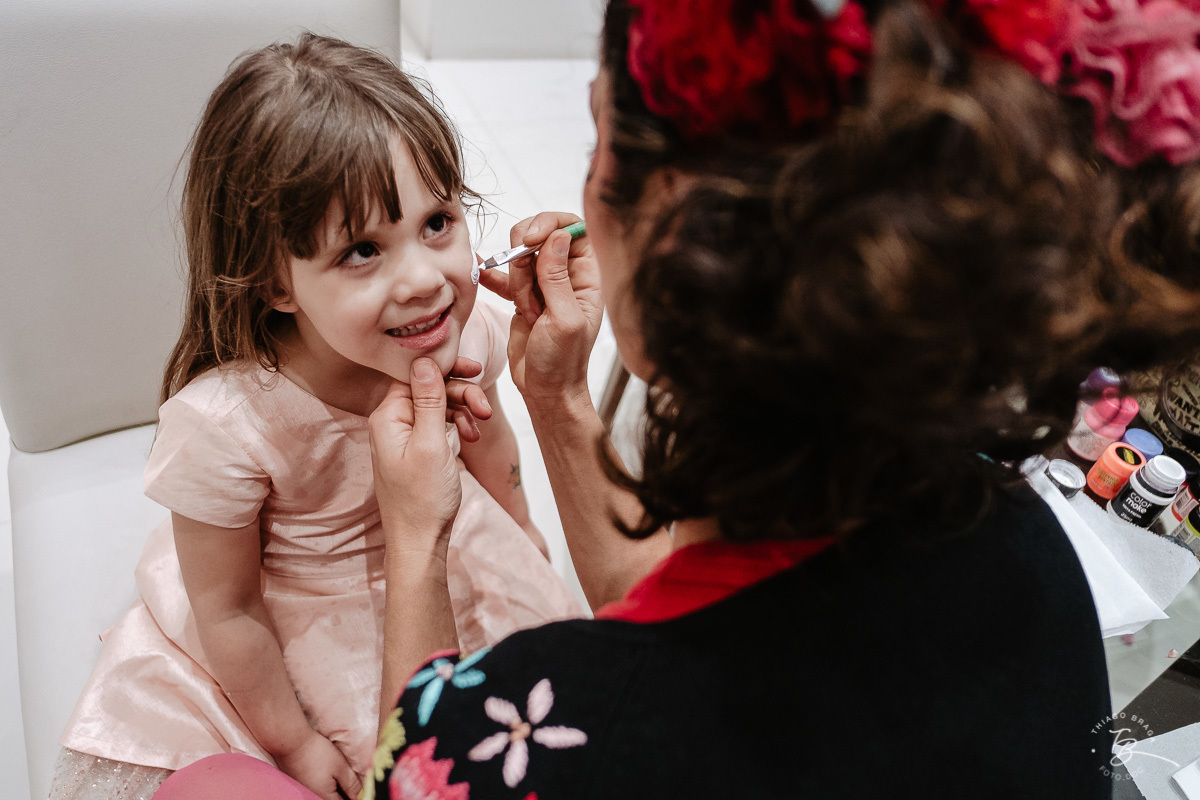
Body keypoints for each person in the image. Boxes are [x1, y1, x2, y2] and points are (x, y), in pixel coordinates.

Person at [155, 1, 1200, 797]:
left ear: (668, 234)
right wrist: (558, 406)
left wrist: (419, 534)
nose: (429, 275)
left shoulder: (538, 726)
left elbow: (418, 763)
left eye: (599, 135)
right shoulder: (1027, 554)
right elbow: (686, 599)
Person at [50, 33, 582, 800]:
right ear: (275, 282)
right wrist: (294, 743)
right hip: (297, 627)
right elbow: (228, 610)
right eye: (363, 251)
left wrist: (522, 528)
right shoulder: (229, 426)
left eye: (437, 223)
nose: (425, 281)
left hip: (447, 556)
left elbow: (488, 439)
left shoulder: (465, 336)